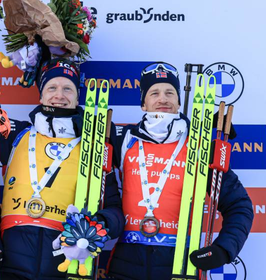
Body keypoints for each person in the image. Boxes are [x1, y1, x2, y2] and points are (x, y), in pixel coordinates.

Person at [0, 57, 125, 280]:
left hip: (67, 267)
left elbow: (115, 209)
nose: (59, 95)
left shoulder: (94, 147)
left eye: (68, 88)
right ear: (41, 95)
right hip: (11, 266)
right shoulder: (15, 136)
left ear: (77, 96)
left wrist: (100, 224)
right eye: (52, 88)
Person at [106, 62, 254, 280]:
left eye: (169, 92)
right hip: (126, 263)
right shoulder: (124, 139)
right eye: (154, 92)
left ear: (178, 101)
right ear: (143, 103)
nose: (163, 99)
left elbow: (240, 205)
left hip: (179, 264)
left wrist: (224, 249)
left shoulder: (198, 146)